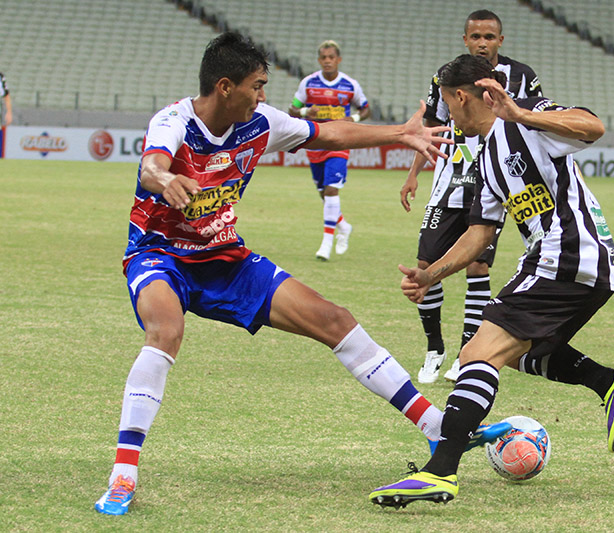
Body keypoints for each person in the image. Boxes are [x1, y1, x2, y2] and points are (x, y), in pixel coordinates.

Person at [94, 33, 510, 516]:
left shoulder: (260, 122)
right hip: (160, 255)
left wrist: (399, 133)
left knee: (335, 319)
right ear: (225, 87)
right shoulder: (173, 121)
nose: (264, 94)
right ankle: (124, 473)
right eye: (258, 85)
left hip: (225, 258)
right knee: (166, 330)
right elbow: (151, 167)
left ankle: (436, 426)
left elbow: (328, 134)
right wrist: (166, 180)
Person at [370, 55, 614, 508]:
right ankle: (608, 382)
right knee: (516, 356)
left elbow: (592, 127)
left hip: (570, 256)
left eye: (446, 101)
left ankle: (441, 472)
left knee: (477, 352)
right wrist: (429, 274)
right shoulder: (486, 158)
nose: (447, 113)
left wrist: (519, 112)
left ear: (460, 96)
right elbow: (479, 234)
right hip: (565, 264)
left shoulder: (525, 122)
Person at [400, 9, 543, 384]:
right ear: (465, 39)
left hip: (492, 182)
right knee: (425, 265)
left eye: (490, 37)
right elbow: (431, 128)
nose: (483, 43)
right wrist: (414, 174)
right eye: (476, 36)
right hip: (448, 181)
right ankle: (434, 348)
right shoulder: (445, 77)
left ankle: (465, 354)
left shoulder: (522, 77)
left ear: (501, 40)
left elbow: (534, 123)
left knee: (477, 266)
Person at [288, 40, 370, 260]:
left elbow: (365, 109)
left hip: (339, 141)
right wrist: (306, 111)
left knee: (332, 189)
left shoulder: (350, 85)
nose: (327, 61)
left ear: (338, 59)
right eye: (323, 57)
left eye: (331, 57)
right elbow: (292, 109)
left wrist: (350, 118)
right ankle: (343, 226)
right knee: (325, 193)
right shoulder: (309, 83)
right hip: (315, 142)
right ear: (319, 60)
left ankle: (326, 243)